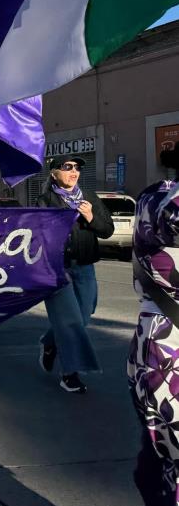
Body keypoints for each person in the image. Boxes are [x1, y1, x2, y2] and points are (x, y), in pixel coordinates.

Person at [127, 150, 179, 504]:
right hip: (169, 345)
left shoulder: (155, 196)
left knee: (158, 452)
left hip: (157, 338)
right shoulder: (166, 202)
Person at [36, 155, 111, 393]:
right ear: (54, 173)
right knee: (70, 323)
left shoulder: (88, 197)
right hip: (59, 270)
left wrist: (90, 217)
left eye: (77, 168)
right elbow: (38, 237)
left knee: (85, 315)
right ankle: (70, 374)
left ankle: (49, 343)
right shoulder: (45, 200)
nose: (73, 171)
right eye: (67, 167)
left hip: (85, 266)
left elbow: (107, 230)